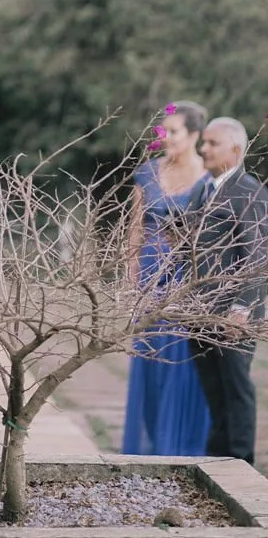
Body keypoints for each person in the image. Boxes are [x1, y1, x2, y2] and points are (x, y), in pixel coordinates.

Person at [121, 100, 211, 455]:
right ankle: (149, 446)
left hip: (187, 275)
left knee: (181, 360)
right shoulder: (147, 172)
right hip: (149, 273)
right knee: (149, 357)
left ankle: (182, 445)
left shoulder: (208, 178)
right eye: (163, 131)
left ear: (193, 135)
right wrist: (131, 279)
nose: (166, 138)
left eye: (173, 132)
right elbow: (134, 228)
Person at [187, 116, 268, 464]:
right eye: (203, 142)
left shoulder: (250, 192)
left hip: (232, 314)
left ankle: (240, 461)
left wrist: (242, 309)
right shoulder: (204, 189)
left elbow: (259, 255)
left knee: (236, 389)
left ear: (235, 149)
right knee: (214, 390)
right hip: (200, 309)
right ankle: (217, 461)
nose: (203, 149)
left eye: (212, 143)